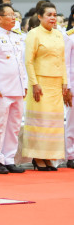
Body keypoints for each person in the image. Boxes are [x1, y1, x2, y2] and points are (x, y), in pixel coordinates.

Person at [0, 3, 27, 174]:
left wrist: (25, 85)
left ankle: (9, 158)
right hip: (1, 89)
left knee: (14, 125)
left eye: (14, 14)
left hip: (18, 88)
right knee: (0, 124)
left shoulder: (17, 35)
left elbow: (20, 63)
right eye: (10, 15)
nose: (14, 17)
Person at [23, 2, 67, 171]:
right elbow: (28, 61)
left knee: (53, 123)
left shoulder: (58, 34)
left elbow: (62, 60)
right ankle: (37, 157)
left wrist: (64, 82)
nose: (53, 18)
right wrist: (34, 83)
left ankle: (49, 157)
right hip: (40, 82)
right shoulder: (34, 34)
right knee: (40, 122)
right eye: (49, 15)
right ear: (40, 17)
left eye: (55, 15)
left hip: (56, 84)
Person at [64, 21, 74, 168]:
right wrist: (68, 87)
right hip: (73, 83)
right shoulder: (69, 36)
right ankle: (71, 155)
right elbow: (65, 63)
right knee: (72, 121)